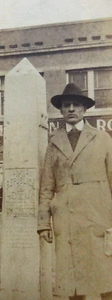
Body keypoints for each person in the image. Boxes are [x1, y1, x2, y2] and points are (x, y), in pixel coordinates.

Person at [38, 83, 112, 300]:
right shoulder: (53, 142)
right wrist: (43, 222)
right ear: (60, 110)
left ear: (84, 110)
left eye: (76, 105)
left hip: (98, 215)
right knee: (71, 280)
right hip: (66, 218)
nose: (71, 108)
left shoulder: (102, 138)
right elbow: (46, 186)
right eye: (66, 105)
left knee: (105, 275)